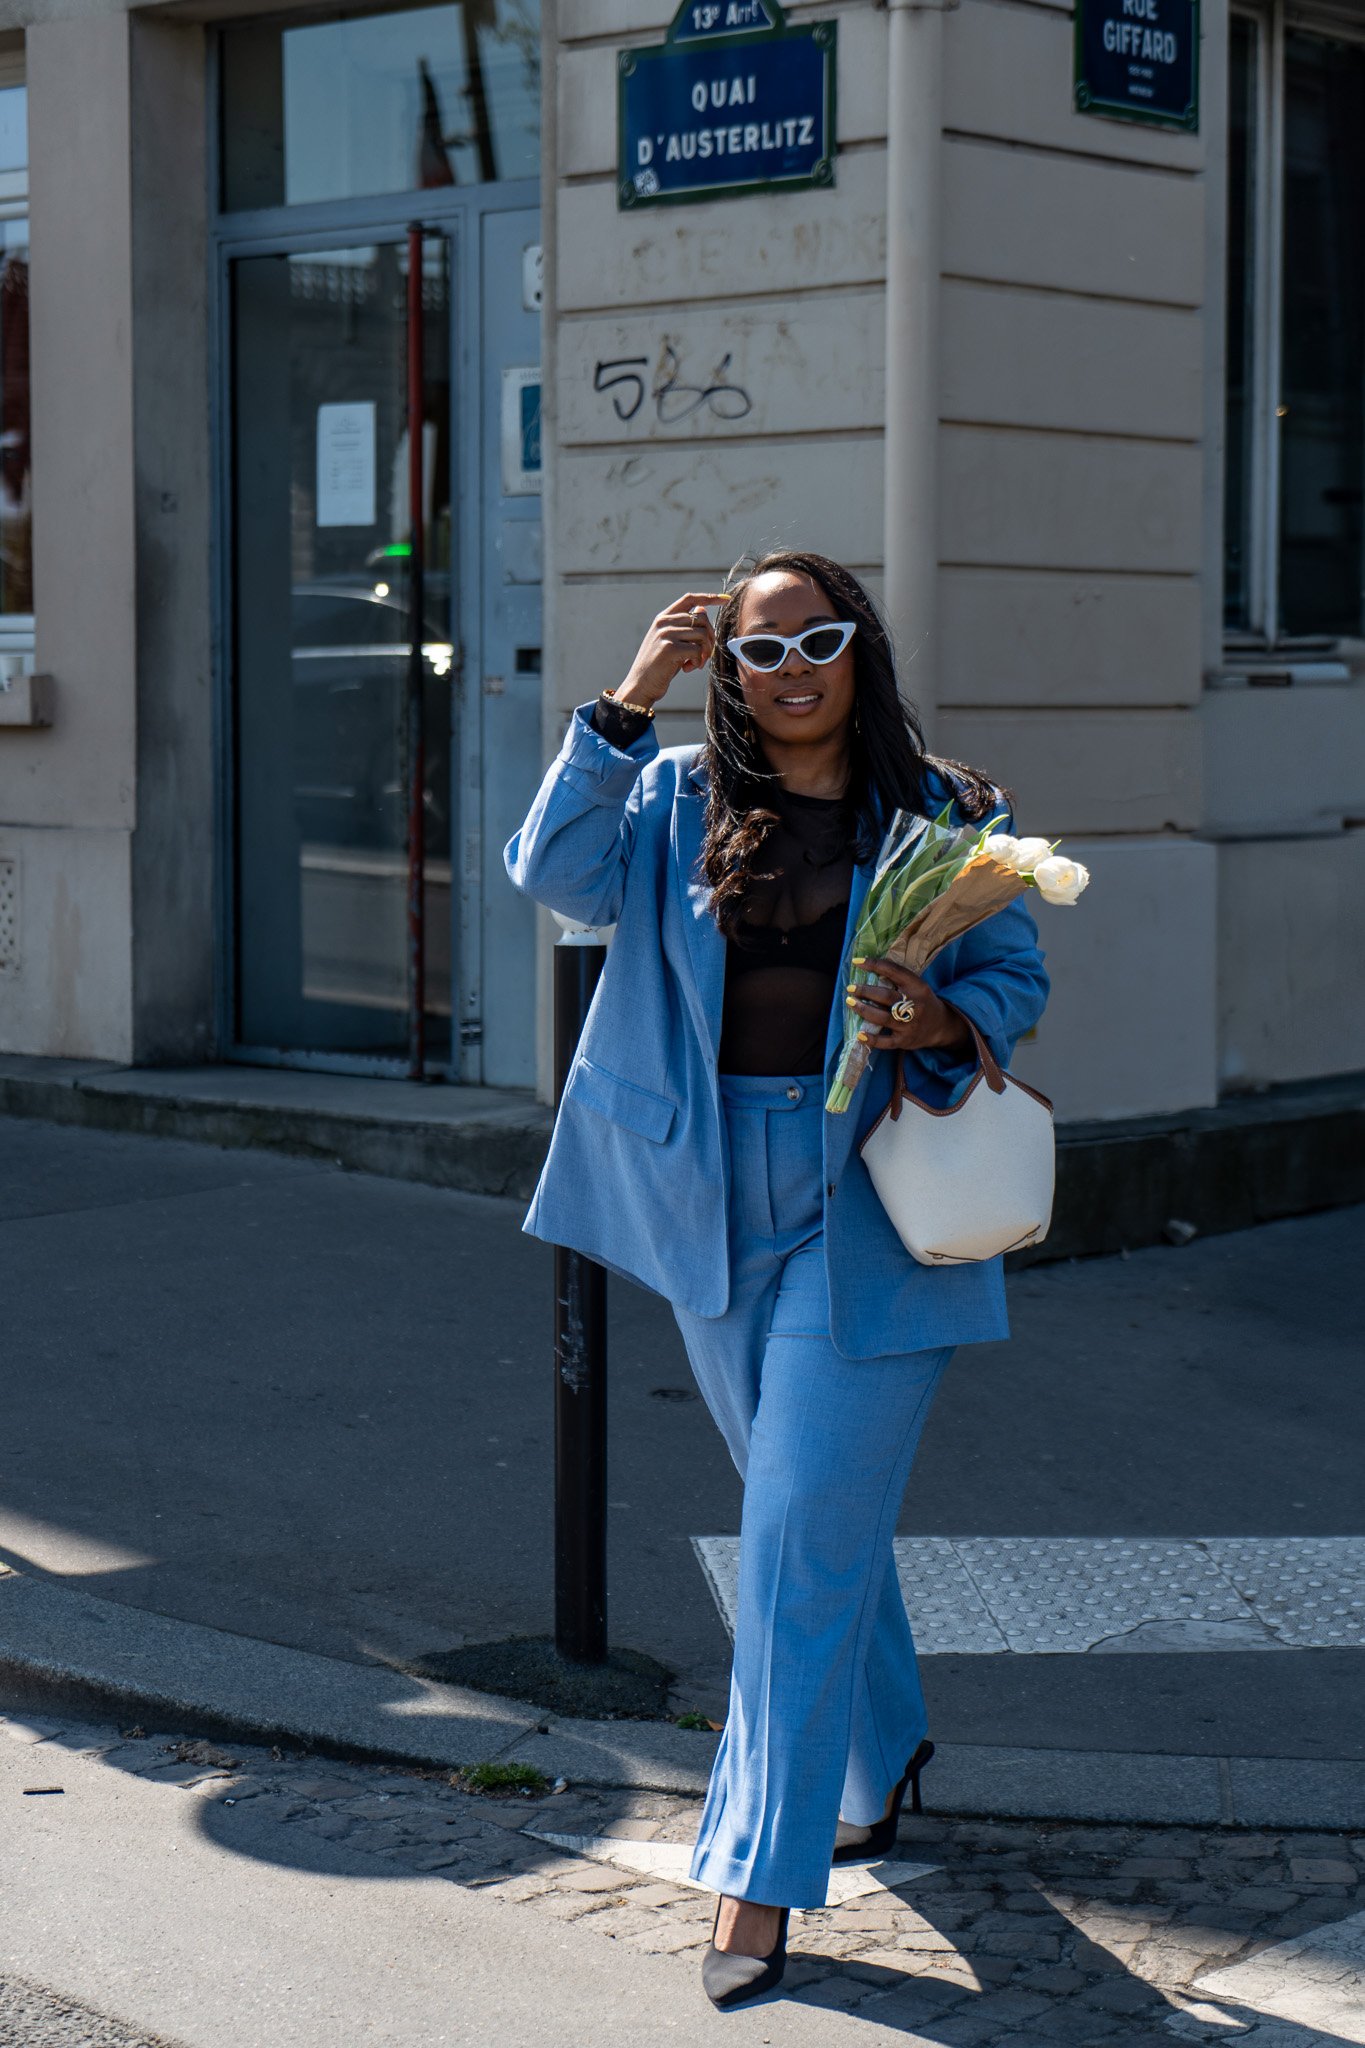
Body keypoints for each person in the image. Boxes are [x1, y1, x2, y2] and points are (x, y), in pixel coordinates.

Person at [505, 549, 1049, 2009]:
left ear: (859, 649)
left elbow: (1016, 981)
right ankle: (881, 1752)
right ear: (728, 671)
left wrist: (942, 1018)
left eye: (817, 639)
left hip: (868, 1195)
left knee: (796, 1536)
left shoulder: (944, 812)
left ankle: (754, 1874)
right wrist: (628, 697)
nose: (791, 668)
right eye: (759, 649)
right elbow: (548, 873)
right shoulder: (672, 796)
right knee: (805, 1516)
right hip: (702, 1191)